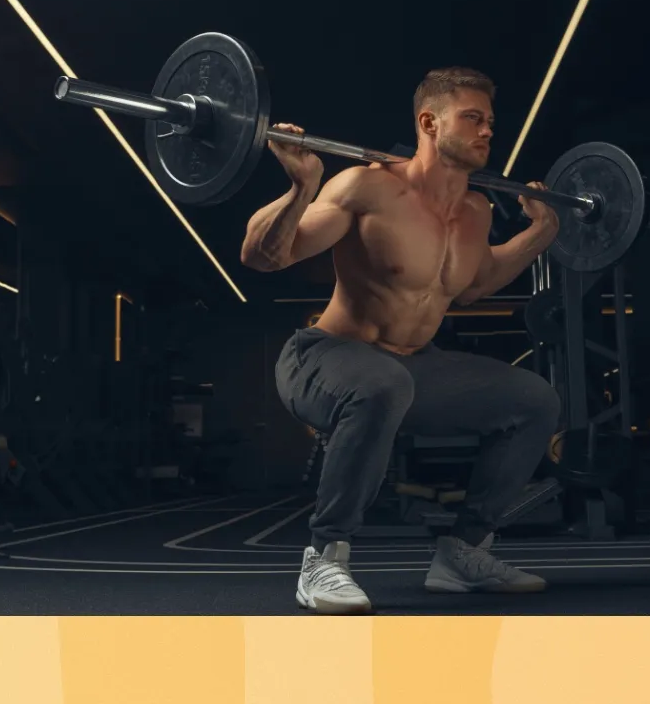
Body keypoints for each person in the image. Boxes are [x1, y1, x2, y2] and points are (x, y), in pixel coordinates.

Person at [240, 67, 561, 615]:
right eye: (473, 119)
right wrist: (301, 188)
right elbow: (265, 256)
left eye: (490, 121)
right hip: (325, 358)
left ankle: (463, 553)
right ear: (429, 122)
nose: (488, 131)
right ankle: (324, 557)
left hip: (413, 371)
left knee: (535, 401)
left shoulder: (476, 211)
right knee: (381, 383)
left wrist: (540, 232)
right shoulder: (368, 187)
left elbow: (476, 283)